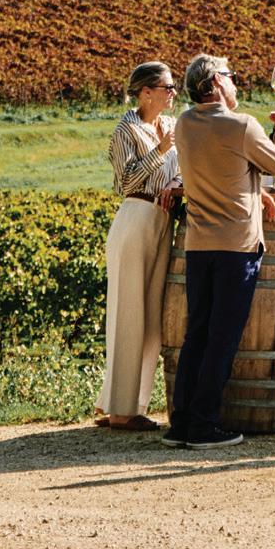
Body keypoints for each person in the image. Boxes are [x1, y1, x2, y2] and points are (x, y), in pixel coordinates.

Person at [167, 52, 275, 449]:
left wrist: (256, 192)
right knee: (222, 339)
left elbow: (222, 169)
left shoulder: (184, 125)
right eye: (231, 76)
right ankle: (204, 425)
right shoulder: (242, 125)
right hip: (236, 247)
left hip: (198, 245)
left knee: (197, 335)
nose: (236, 82)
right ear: (216, 82)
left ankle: (181, 423)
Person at [97, 62, 183, 430]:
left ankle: (130, 404)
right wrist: (161, 149)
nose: (173, 93)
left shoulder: (170, 125)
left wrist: (175, 183)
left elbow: (177, 172)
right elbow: (125, 182)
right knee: (128, 315)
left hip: (163, 221)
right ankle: (121, 410)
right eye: (167, 87)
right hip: (135, 218)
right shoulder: (126, 130)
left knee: (151, 321)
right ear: (146, 93)